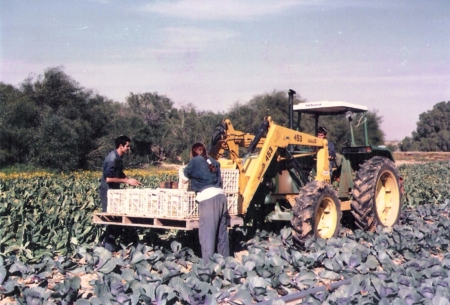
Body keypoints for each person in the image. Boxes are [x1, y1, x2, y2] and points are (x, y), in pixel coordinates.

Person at [181, 143, 230, 261]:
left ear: (193, 152)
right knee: (221, 236)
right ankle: (226, 266)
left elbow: (184, 180)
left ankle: (208, 270)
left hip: (209, 200)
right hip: (221, 198)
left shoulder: (195, 161)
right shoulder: (213, 162)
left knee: (207, 236)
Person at [99, 135, 141, 252]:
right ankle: (107, 247)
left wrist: (129, 179)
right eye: (127, 146)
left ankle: (108, 244)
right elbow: (108, 178)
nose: (129, 148)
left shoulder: (118, 157)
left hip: (114, 192)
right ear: (121, 146)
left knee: (116, 218)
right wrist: (127, 181)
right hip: (107, 192)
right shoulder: (112, 158)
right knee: (110, 219)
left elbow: (119, 173)